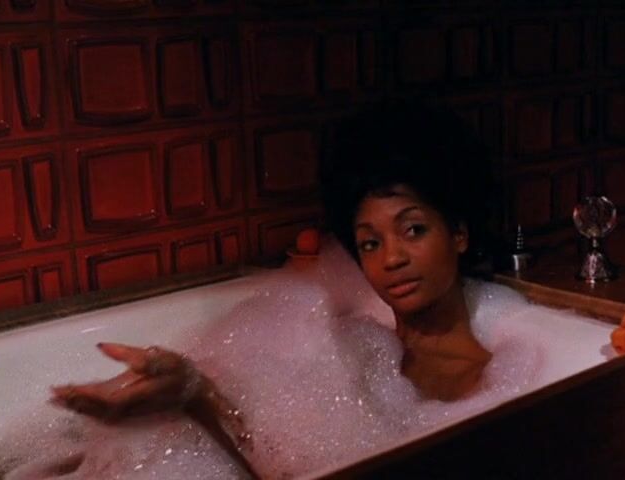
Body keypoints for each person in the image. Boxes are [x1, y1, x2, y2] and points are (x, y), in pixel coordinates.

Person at [49, 102, 498, 477]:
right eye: (370, 243)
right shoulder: (351, 351)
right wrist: (193, 393)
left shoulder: (480, 383)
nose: (392, 258)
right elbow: (279, 462)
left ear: (458, 233)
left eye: (413, 230)